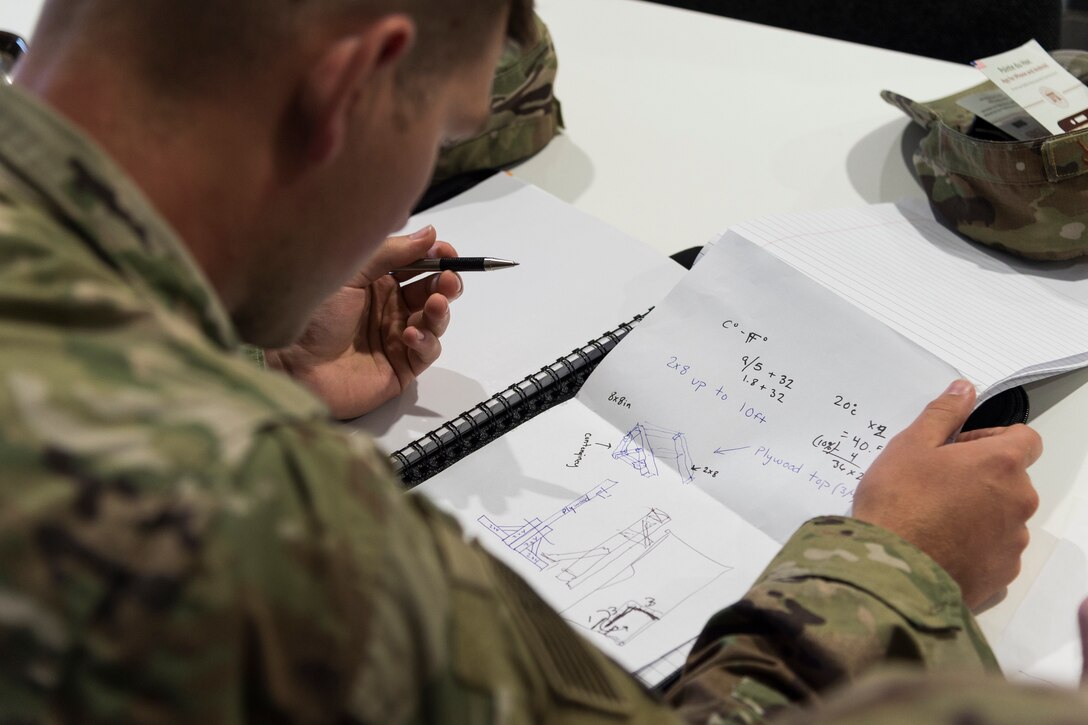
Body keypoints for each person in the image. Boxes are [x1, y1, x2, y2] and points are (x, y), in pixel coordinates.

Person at [0, 0, 1079, 722]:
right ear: (353, 87)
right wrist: (893, 569)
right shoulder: (249, 524)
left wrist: (232, 336)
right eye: (438, 132)